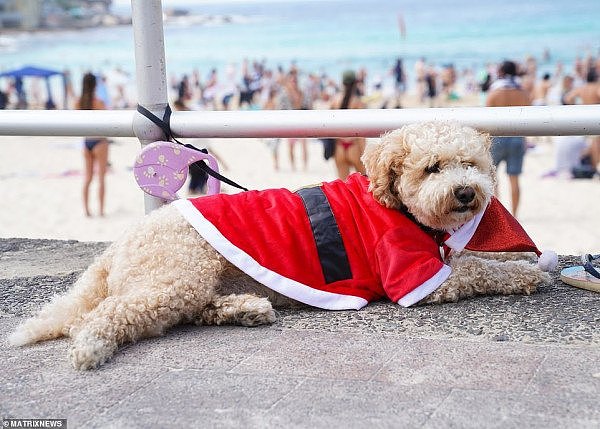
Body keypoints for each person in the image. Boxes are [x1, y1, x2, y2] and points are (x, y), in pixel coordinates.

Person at [486, 60, 531, 217]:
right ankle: (515, 215)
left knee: (492, 178)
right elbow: (528, 116)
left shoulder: (494, 92)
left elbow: (487, 116)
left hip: (497, 137)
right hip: (517, 137)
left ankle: (498, 216)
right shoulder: (522, 92)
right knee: (514, 179)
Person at [77, 72, 109, 217]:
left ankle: (86, 210)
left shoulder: (78, 102)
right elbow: (107, 122)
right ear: (95, 84)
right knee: (101, 178)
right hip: (99, 141)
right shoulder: (99, 102)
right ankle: (101, 211)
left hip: (86, 142)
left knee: (87, 178)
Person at [330, 70, 366, 179]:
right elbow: (360, 131)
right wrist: (364, 152)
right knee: (363, 184)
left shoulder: (335, 100)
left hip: (339, 147)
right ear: (355, 83)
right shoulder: (357, 102)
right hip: (353, 145)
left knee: (342, 187)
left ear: (342, 83)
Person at [563, 68, 600, 169]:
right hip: (596, 117)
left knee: (590, 144)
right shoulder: (597, 87)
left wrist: (575, 108)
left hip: (584, 117)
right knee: (596, 144)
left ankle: (593, 166)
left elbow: (567, 98)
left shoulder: (582, 88)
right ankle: (595, 167)